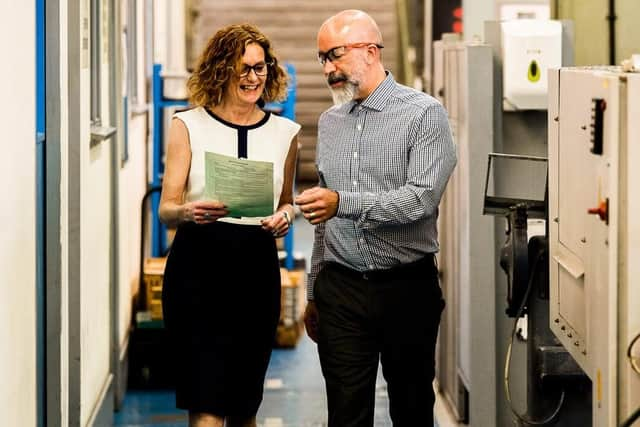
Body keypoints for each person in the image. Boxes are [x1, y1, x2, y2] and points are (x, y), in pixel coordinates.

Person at [295, 10, 457, 427]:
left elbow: (419, 200)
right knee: (346, 414)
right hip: (341, 289)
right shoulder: (330, 123)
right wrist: (315, 290)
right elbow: (322, 218)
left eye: (335, 55)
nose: (328, 69)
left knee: (411, 408)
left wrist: (343, 202)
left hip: (406, 288)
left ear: (370, 51)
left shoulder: (423, 114)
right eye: (322, 59)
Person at [159, 23, 300, 427]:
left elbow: (288, 202)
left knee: (243, 406)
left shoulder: (285, 133)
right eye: (242, 68)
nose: (252, 77)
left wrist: (285, 217)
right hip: (197, 266)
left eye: (259, 68)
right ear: (220, 70)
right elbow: (166, 208)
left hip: (255, 271)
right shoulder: (188, 125)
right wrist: (187, 211)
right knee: (204, 406)